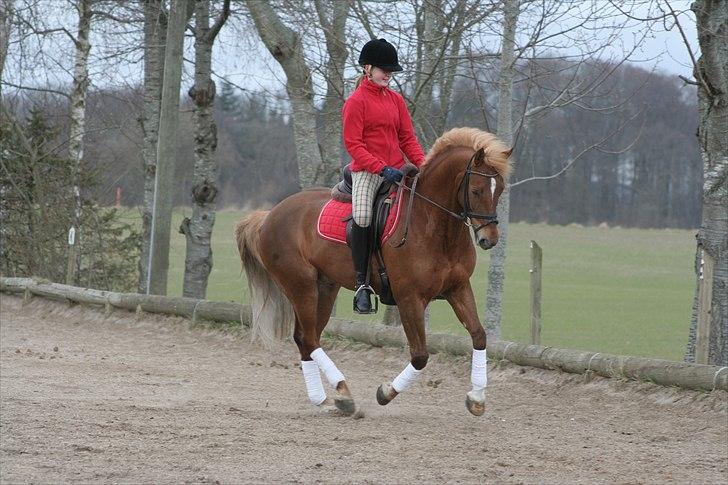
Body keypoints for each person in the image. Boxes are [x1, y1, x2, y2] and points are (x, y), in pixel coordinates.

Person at [342, 38, 426, 314]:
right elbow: (354, 145)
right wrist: (380, 167)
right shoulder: (356, 102)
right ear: (367, 68)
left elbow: (407, 139)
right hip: (368, 172)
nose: (388, 74)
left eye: (391, 70)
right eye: (383, 69)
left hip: (398, 170)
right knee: (363, 216)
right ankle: (362, 284)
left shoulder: (396, 100)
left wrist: (424, 165)